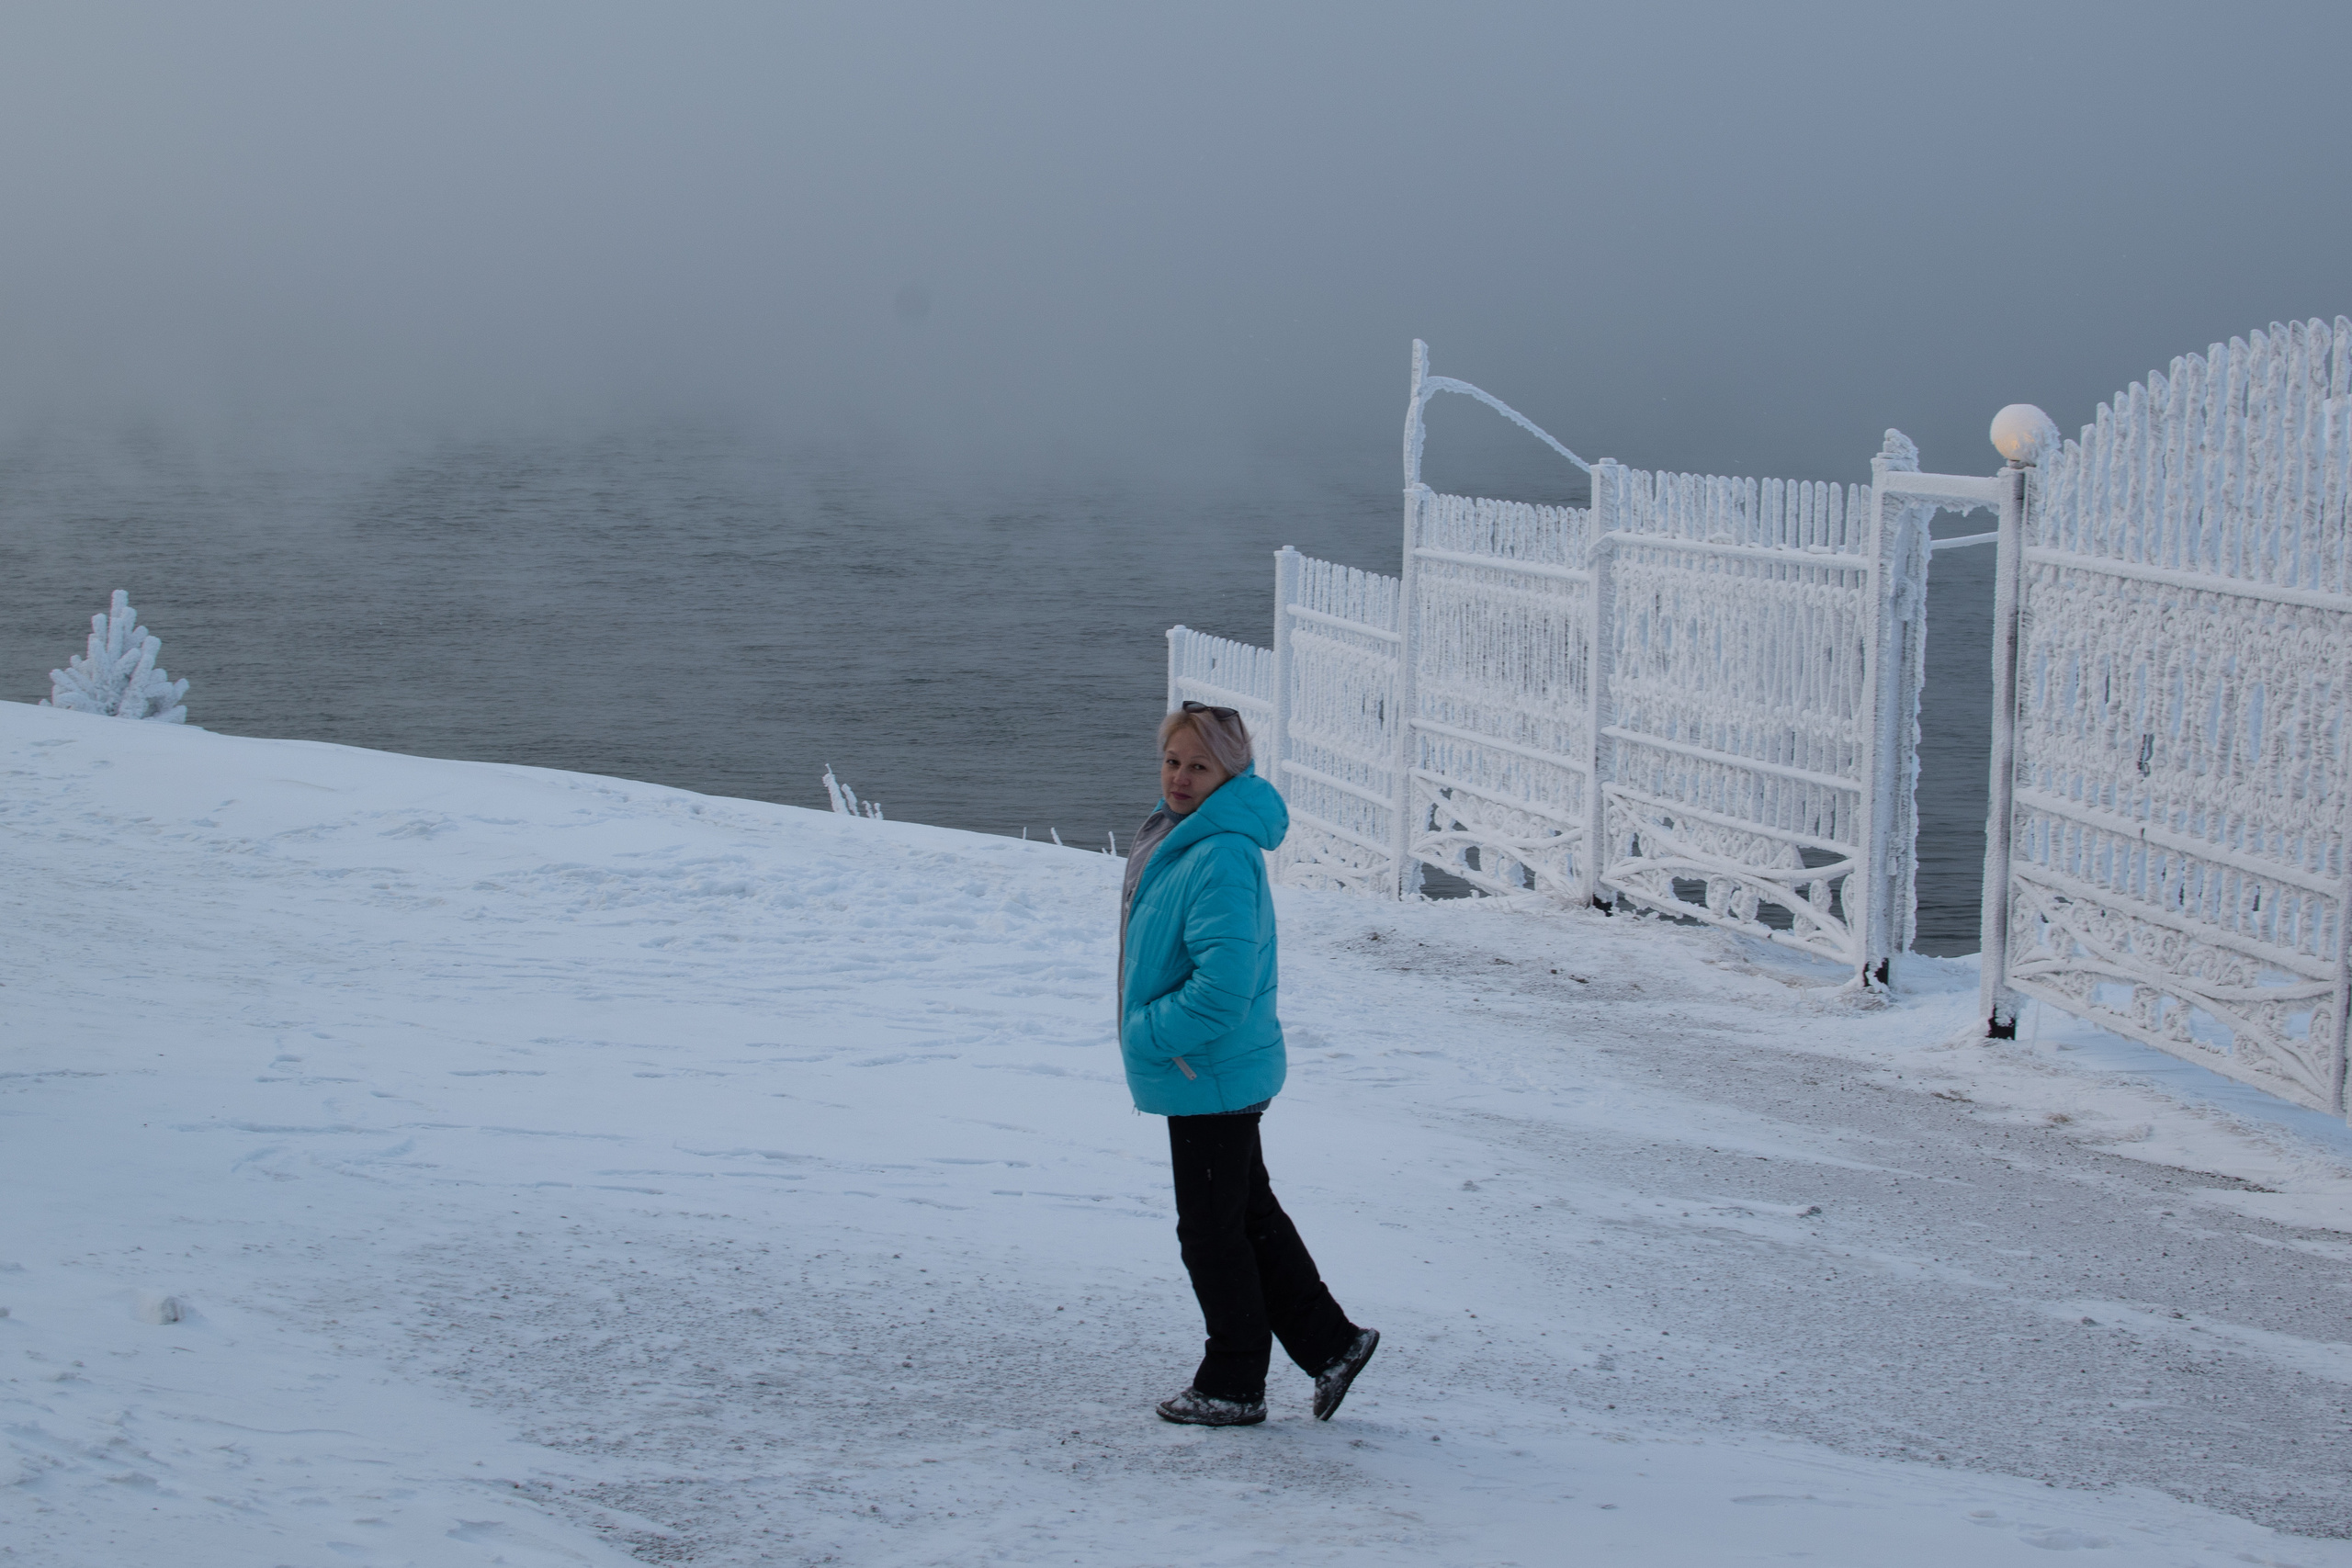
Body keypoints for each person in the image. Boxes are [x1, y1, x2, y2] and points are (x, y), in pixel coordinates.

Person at [1118, 699, 1379, 1427]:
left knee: (1210, 1231)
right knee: (1246, 1212)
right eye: (1172, 760)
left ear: (1230, 772)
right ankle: (1333, 1344)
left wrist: (1148, 1031)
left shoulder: (1221, 852)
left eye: (1198, 765)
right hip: (1210, 1068)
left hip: (1210, 1068)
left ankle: (1234, 1379)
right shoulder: (1188, 835)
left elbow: (1223, 989)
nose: (1179, 776)